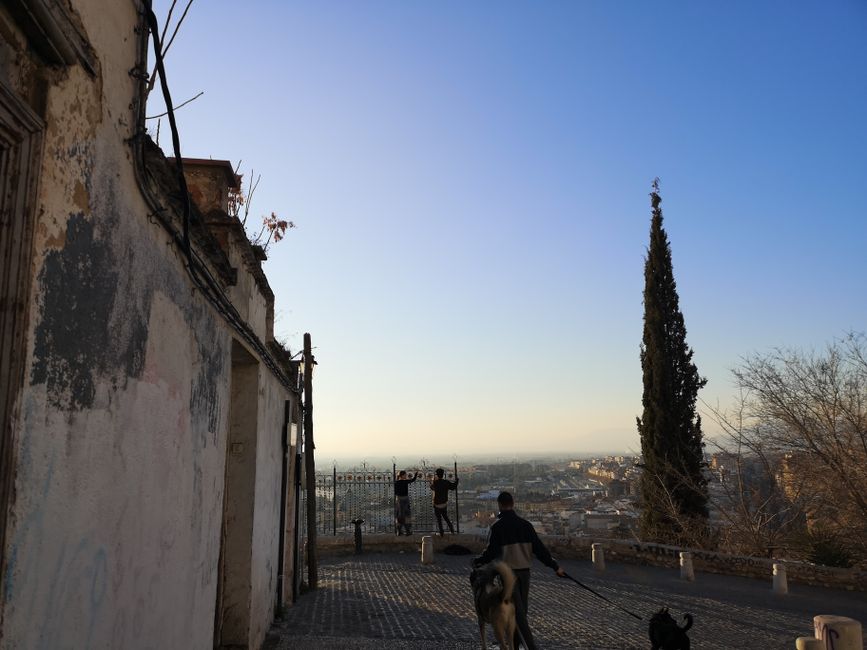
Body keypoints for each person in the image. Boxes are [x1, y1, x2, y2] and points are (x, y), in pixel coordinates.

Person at [473, 491, 565, 650]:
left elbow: (491, 553)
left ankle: (530, 647)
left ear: (500, 505)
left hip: (509, 575)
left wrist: (478, 560)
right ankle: (516, 645)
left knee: (520, 618)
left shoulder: (497, 527)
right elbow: (540, 550)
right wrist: (555, 567)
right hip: (525, 575)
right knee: (520, 613)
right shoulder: (526, 525)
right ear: (513, 504)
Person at [429, 468, 459, 535]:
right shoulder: (446, 482)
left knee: (439, 520)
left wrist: (433, 480)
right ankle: (452, 529)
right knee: (446, 517)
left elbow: (431, 487)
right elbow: (453, 487)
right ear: (443, 475)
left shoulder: (435, 483)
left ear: (437, 475)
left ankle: (441, 532)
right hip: (444, 504)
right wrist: (457, 481)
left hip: (436, 504)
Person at [393, 470, 419, 535]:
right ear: (402, 475)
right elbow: (413, 480)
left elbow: (395, 492)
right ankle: (408, 530)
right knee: (407, 514)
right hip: (405, 499)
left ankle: (399, 531)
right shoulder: (405, 482)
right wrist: (416, 474)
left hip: (398, 499)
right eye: (405, 475)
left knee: (400, 515)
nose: (406, 476)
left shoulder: (396, 482)